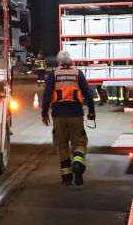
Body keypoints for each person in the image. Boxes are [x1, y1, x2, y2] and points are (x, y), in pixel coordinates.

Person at [41, 50, 96, 186]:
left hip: (58, 116)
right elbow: (88, 94)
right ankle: (77, 163)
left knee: (62, 145)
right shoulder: (78, 73)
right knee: (79, 143)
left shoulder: (53, 75)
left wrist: (44, 113)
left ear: (59, 62)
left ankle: (66, 177)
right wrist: (91, 111)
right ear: (70, 61)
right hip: (76, 114)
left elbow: (47, 95)